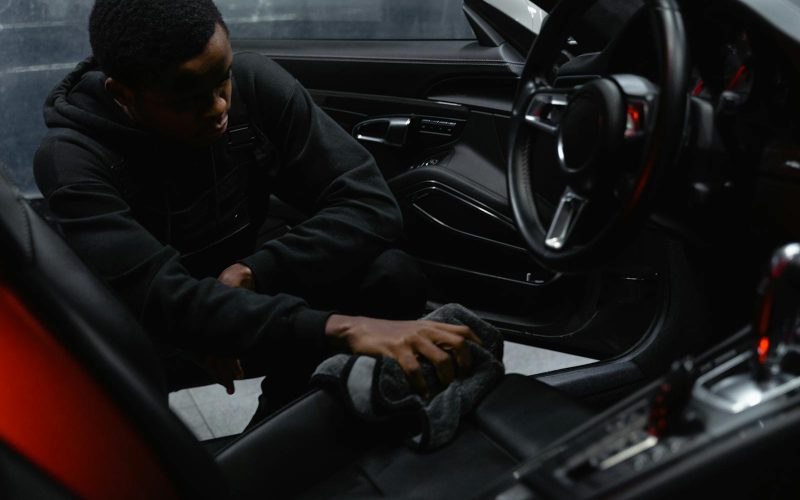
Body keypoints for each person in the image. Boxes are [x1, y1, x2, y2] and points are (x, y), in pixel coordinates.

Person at [34, 0, 479, 423]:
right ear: (124, 95)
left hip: (244, 294)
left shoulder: (253, 82)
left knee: (392, 274)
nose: (219, 107)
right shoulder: (72, 158)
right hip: (154, 330)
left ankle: (282, 431)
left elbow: (373, 205)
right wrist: (342, 328)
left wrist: (253, 272)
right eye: (188, 98)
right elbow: (162, 300)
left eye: (221, 79)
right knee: (92, 368)